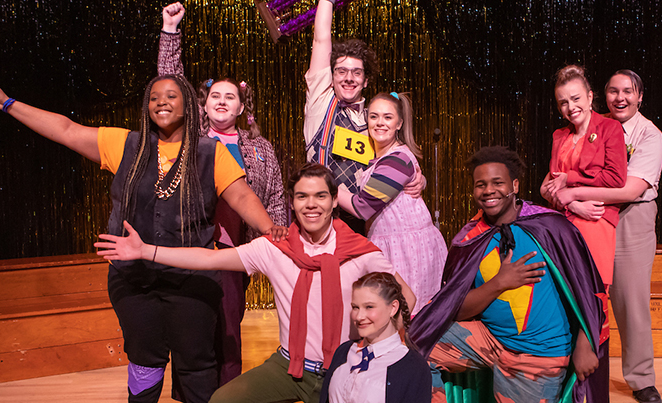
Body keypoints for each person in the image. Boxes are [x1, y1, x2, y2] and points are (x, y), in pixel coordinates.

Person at [0, 74, 284, 403]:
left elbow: (242, 197)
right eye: (154, 98)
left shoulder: (211, 154)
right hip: (134, 279)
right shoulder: (125, 144)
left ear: (188, 107)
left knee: (196, 364)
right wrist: (8, 104)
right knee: (144, 359)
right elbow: (66, 131)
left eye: (170, 96)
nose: (161, 102)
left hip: (191, 278)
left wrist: (273, 232)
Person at [96, 163, 416, 403]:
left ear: (334, 201)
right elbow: (208, 259)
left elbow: (406, 300)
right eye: (302, 196)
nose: (311, 204)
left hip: (345, 367)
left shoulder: (360, 251)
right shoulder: (275, 248)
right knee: (223, 400)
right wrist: (145, 251)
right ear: (291, 203)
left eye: (321, 195)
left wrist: (377, 352)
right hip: (289, 367)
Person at [408, 146, 609, 403]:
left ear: (514, 185)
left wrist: (586, 344)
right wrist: (500, 283)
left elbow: (589, 292)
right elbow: (454, 307)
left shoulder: (552, 228)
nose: (489, 190)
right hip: (488, 342)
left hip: (537, 357)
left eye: (497, 182)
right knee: (417, 344)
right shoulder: (471, 238)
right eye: (480, 184)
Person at [157, 3, 289, 387]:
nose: (222, 101)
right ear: (203, 103)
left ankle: (228, 394)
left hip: (234, 255)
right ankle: (193, 394)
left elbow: (275, 197)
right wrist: (170, 31)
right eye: (216, 95)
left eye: (230, 97)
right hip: (192, 249)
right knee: (192, 330)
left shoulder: (259, 147)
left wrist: (278, 241)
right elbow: (171, 83)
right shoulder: (192, 140)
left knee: (230, 331)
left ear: (241, 106)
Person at [556, 70, 662, 403]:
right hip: (590, 220)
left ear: (640, 95)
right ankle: (580, 373)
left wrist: (574, 194)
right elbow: (561, 172)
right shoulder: (594, 128)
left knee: (631, 303)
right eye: (613, 91)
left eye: (628, 92)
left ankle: (641, 378)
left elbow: (628, 188)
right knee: (584, 295)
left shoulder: (649, 135)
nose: (620, 98)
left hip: (632, 219)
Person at [305, 0, 425, 234]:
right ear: (331, 76)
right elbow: (321, 40)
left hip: (361, 222)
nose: (348, 78)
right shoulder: (321, 103)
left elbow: (393, 164)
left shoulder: (373, 120)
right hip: (319, 217)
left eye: (356, 72)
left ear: (365, 80)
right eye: (341, 71)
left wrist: (419, 180)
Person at [336, 92, 446, 315]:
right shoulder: (376, 154)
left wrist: (329, 189)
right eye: (374, 116)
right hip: (393, 243)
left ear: (399, 123)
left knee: (406, 315)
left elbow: (363, 207)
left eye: (387, 117)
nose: (380, 123)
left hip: (408, 249)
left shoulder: (396, 158)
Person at [541, 64, 627, 288]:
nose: (571, 107)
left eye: (576, 98)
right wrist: (574, 206)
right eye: (563, 102)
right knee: (562, 293)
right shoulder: (559, 136)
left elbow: (616, 178)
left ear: (590, 98)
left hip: (595, 218)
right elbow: (549, 188)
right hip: (563, 219)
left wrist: (569, 180)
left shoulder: (610, 128)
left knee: (592, 293)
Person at [320, 272, 432, 403]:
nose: (359, 316)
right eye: (355, 307)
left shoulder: (413, 367)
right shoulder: (344, 352)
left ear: (393, 308)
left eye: (369, 307)